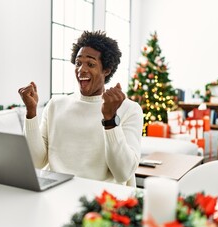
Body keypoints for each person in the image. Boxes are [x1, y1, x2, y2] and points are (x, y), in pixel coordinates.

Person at [18, 30, 143, 186]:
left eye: (90, 64)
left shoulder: (129, 109)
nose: (81, 69)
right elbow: (36, 162)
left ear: (107, 70)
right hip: (55, 192)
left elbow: (123, 172)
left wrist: (110, 120)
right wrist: (31, 112)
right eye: (78, 63)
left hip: (99, 200)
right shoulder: (55, 104)